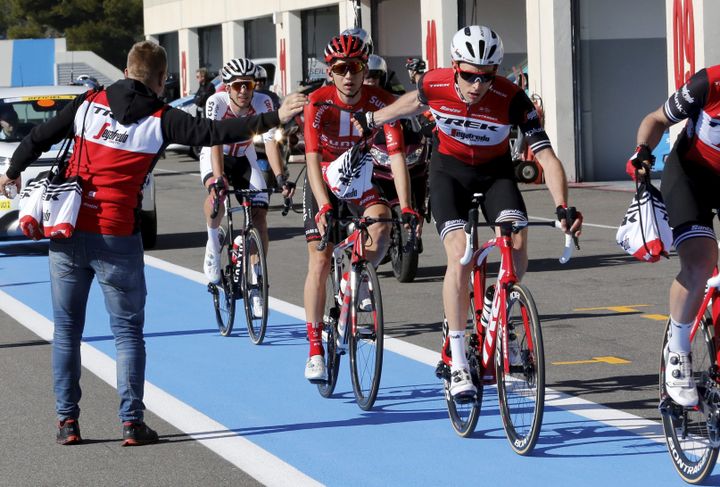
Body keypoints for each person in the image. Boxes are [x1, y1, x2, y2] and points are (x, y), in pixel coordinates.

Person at [0, 40, 306, 446]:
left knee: (67, 330)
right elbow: (216, 132)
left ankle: (67, 423)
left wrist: (13, 170)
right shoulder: (163, 119)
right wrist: (273, 118)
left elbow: (40, 135)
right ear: (162, 79)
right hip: (118, 238)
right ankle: (131, 423)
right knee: (127, 333)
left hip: (68, 233)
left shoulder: (89, 103)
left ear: (126, 70)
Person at [363, 25, 582, 399]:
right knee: (460, 257)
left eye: (486, 76)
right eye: (468, 75)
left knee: (516, 243)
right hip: (449, 173)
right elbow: (413, 102)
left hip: (495, 173)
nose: (477, 85)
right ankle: (460, 357)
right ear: (454, 66)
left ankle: (500, 307)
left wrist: (563, 206)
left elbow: (546, 156)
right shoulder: (436, 83)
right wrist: (375, 119)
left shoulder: (513, 99)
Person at [302, 33, 417, 381]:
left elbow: (397, 158)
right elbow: (310, 160)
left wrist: (408, 207)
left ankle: (356, 280)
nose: (348, 76)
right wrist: (323, 207)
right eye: (340, 69)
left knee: (382, 226)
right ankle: (314, 350)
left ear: (364, 68)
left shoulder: (381, 103)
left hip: (358, 179)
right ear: (330, 71)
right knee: (320, 259)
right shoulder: (317, 103)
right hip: (323, 179)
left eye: (354, 68)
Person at [628, 66, 720, 407]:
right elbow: (656, 120)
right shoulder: (708, 84)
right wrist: (642, 152)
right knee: (701, 262)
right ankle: (678, 351)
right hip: (691, 177)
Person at [201, 57, 295, 318]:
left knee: (260, 216)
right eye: (238, 85)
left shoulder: (263, 102)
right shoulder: (215, 102)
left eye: (249, 85)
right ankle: (212, 247)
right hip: (215, 155)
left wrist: (280, 177)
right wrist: (218, 179)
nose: (244, 90)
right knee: (217, 195)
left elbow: (271, 143)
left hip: (244, 156)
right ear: (227, 87)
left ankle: (256, 282)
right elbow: (215, 141)